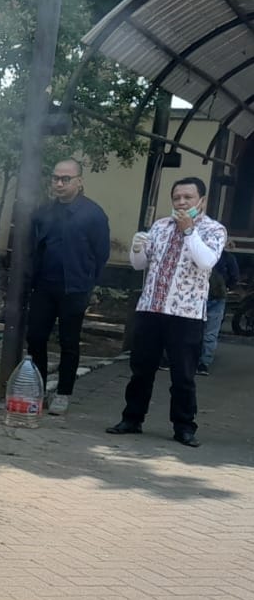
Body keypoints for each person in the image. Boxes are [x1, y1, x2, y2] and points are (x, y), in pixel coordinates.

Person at [108, 178, 226, 448]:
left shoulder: (213, 230)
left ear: (202, 201)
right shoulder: (161, 226)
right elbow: (140, 265)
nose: (182, 203)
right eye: (177, 198)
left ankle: (184, 427)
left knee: (183, 374)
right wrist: (136, 249)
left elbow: (206, 261)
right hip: (151, 308)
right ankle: (132, 418)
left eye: (188, 197)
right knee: (141, 368)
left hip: (186, 314)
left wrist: (188, 232)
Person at [27, 158, 110, 416]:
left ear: (79, 181)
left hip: (74, 288)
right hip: (44, 286)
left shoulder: (93, 214)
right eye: (55, 178)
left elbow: (101, 253)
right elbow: (34, 249)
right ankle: (38, 389)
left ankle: (63, 392)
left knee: (69, 341)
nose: (59, 183)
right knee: (36, 338)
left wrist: (87, 281)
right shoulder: (43, 212)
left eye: (66, 179)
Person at [199, 251, 239, 376]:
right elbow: (234, 277)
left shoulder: (201, 252)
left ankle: (185, 359)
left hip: (198, 296)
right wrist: (227, 287)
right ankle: (203, 364)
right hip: (218, 297)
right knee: (211, 332)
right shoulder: (227, 257)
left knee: (191, 329)